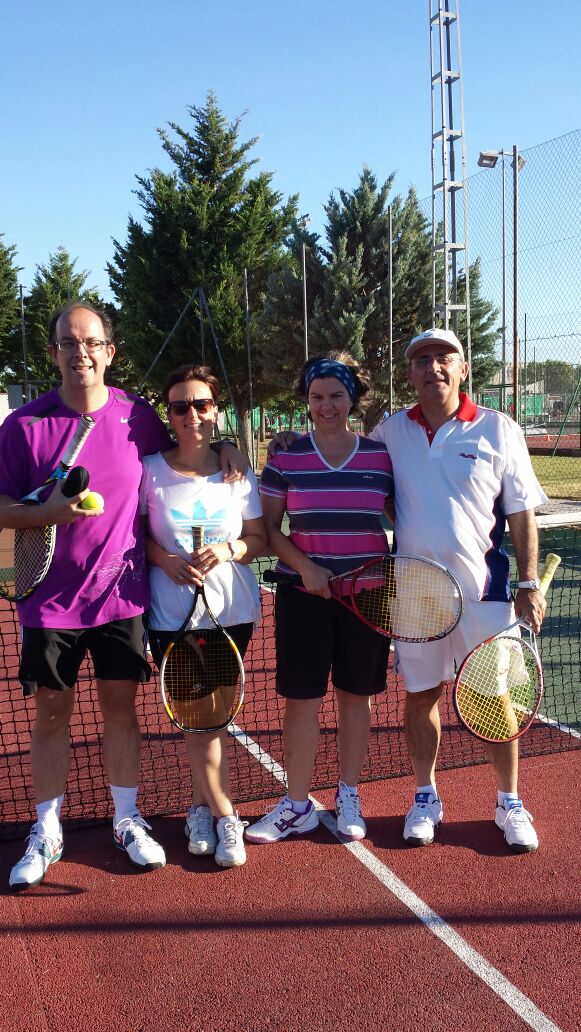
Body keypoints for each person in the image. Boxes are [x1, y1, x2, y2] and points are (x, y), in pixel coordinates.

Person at [0, 301, 245, 890]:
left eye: (90, 342)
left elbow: (190, 447)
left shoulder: (138, 417)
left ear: (109, 352)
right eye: (68, 342)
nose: (79, 352)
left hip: (122, 598)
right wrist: (49, 514)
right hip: (49, 602)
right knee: (51, 715)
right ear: (54, 352)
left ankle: (127, 819)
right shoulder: (23, 426)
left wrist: (229, 447)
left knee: (120, 712)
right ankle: (47, 830)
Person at [370, 328, 548, 853]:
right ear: (410, 374)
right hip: (415, 594)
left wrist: (529, 582)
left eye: (445, 357)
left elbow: (521, 512)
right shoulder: (389, 432)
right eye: (422, 359)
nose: (434, 367)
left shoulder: (499, 428)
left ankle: (509, 801)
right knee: (421, 694)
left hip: (486, 593)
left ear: (463, 369)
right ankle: (425, 796)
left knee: (493, 699)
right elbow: (372, 487)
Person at [245, 352, 393, 846]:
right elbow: (269, 528)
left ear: (353, 398)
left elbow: (405, 514)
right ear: (306, 401)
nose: (326, 405)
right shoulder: (285, 456)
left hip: (366, 597)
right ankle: (297, 805)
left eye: (336, 395)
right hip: (303, 596)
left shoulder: (381, 457)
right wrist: (307, 568)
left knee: (355, 698)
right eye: (317, 396)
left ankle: (348, 794)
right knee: (302, 701)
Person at [141, 364, 267, 868]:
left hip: (231, 612)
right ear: (169, 414)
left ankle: (199, 810)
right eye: (180, 407)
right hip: (172, 617)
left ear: (215, 411)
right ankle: (227, 816)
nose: (191, 414)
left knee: (211, 717)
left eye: (201, 404)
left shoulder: (236, 471)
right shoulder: (149, 470)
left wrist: (229, 548)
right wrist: (163, 559)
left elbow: (258, 539)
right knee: (200, 722)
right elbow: (132, 536)